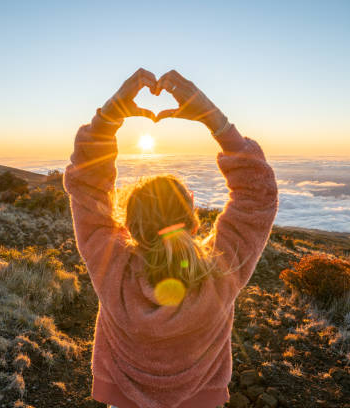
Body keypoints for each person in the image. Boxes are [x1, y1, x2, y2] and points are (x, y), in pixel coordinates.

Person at [63, 68, 279, 408]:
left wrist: (107, 118)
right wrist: (216, 121)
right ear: (193, 222)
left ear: (130, 225)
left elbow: (87, 185)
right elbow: (258, 196)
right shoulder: (221, 271)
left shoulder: (111, 266)